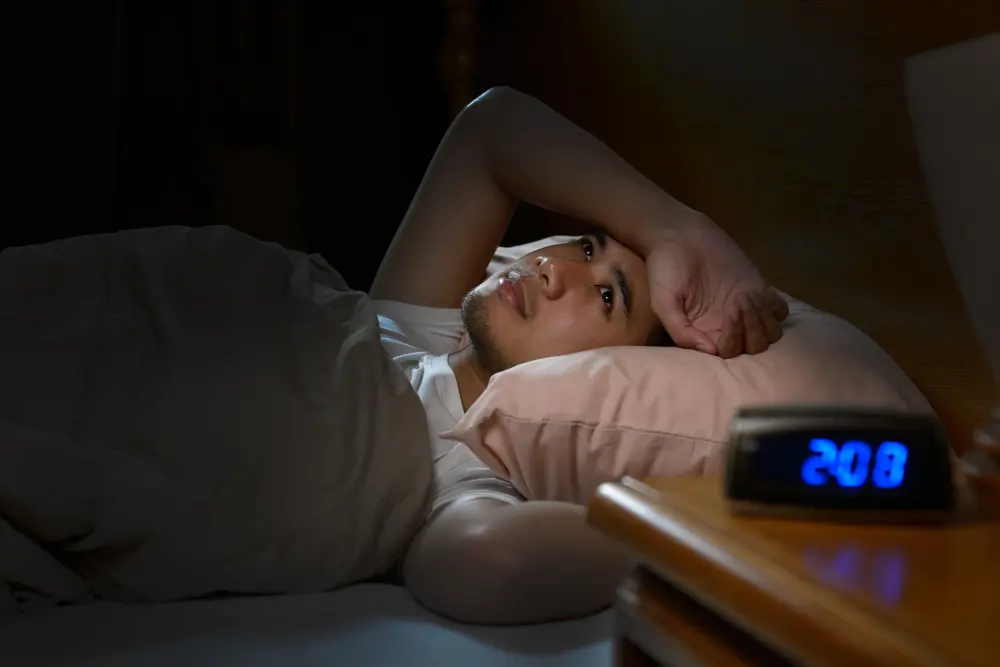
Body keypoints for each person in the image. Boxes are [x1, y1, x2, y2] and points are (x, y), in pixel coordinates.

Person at [369, 86, 789, 624]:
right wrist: (675, 231)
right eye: (588, 248)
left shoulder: (451, 465)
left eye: (608, 296)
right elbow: (491, 128)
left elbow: (493, 560)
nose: (553, 267)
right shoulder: (409, 330)